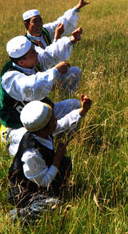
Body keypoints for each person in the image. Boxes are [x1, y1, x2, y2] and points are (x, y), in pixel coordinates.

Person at [7, 95, 92, 223]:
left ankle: (55, 192)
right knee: (53, 205)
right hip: (26, 192)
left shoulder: (41, 131)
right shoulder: (31, 154)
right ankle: (18, 215)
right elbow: (44, 181)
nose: (56, 120)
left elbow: (62, 124)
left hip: (40, 178)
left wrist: (82, 111)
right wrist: (57, 159)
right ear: (43, 130)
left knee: (66, 163)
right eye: (53, 120)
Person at [0, 32, 83, 156]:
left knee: (74, 105)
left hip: (40, 116)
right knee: (32, 147)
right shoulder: (10, 77)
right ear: (21, 62)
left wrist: (70, 40)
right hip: (18, 127)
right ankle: (11, 145)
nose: (37, 53)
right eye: (33, 52)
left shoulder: (32, 61)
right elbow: (32, 87)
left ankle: (67, 138)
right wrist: (55, 71)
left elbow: (48, 54)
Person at [22, 0, 89, 95]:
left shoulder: (44, 31)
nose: (39, 24)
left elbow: (61, 23)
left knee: (75, 71)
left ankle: (67, 96)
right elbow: (46, 59)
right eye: (35, 21)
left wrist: (77, 8)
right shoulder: (26, 44)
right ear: (26, 24)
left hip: (56, 72)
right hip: (40, 80)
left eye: (40, 20)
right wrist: (63, 38)